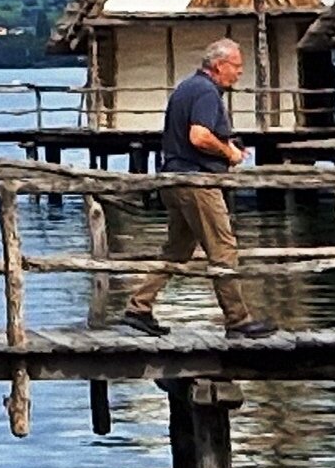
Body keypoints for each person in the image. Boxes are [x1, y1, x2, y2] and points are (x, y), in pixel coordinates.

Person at [117, 37, 272, 337]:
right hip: (197, 183)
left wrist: (227, 145)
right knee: (223, 249)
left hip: (175, 179)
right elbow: (199, 136)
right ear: (219, 65)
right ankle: (238, 320)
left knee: (177, 249)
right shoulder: (205, 92)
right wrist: (228, 153)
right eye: (236, 66)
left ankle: (139, 306)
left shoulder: (187, 88)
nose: (240, 72)